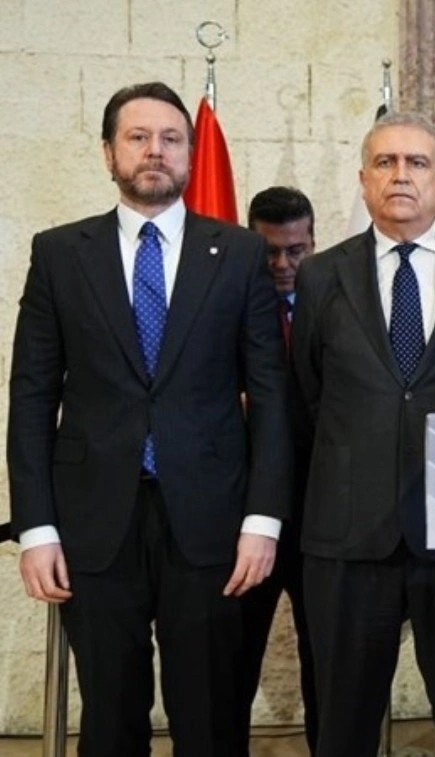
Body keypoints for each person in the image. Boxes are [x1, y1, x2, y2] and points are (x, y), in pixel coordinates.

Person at [7, 81, 291, 757]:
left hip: (212, 524)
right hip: (94, 524)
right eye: (138, 137)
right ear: (109, 153)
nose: (155, 151)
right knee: (109, 718)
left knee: (210, 716)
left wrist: (263, 520)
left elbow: (271, 394)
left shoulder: (239, 253)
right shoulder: (60, 253)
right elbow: (32, 395)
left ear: (190, 154)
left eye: (171, 139)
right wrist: (35, 527)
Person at [292, 111, 435, 757]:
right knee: (342, 726)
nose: (401, 175)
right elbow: (307, 395)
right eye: (386, 162)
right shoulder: (320, 274)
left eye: (417, 163)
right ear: (364, 179)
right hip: (348, 533)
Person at [238, 186, 319, 753]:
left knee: (327, 666)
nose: (284, 265)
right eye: (270, 252)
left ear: (313, 243)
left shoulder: (337, 304)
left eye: (297, 250)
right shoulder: (224, 309)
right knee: (232, 663)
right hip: (245, 518)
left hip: (318, 517)